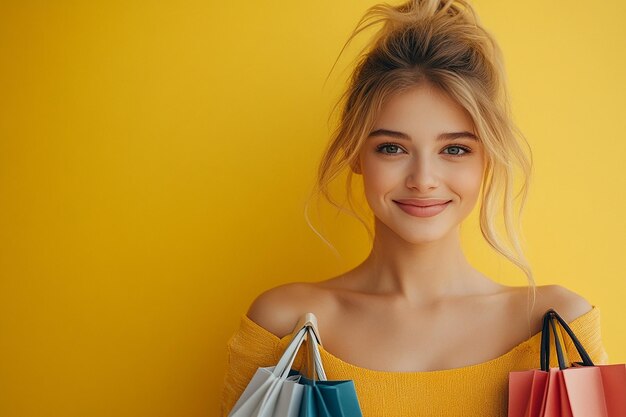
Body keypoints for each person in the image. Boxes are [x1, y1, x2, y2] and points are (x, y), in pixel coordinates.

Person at [220, 0, 608, 415]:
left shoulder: (557, 326)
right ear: (355, 153)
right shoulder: (285, 326)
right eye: (392, 147)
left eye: (454, 149)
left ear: (487, 159)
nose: (423, 178)